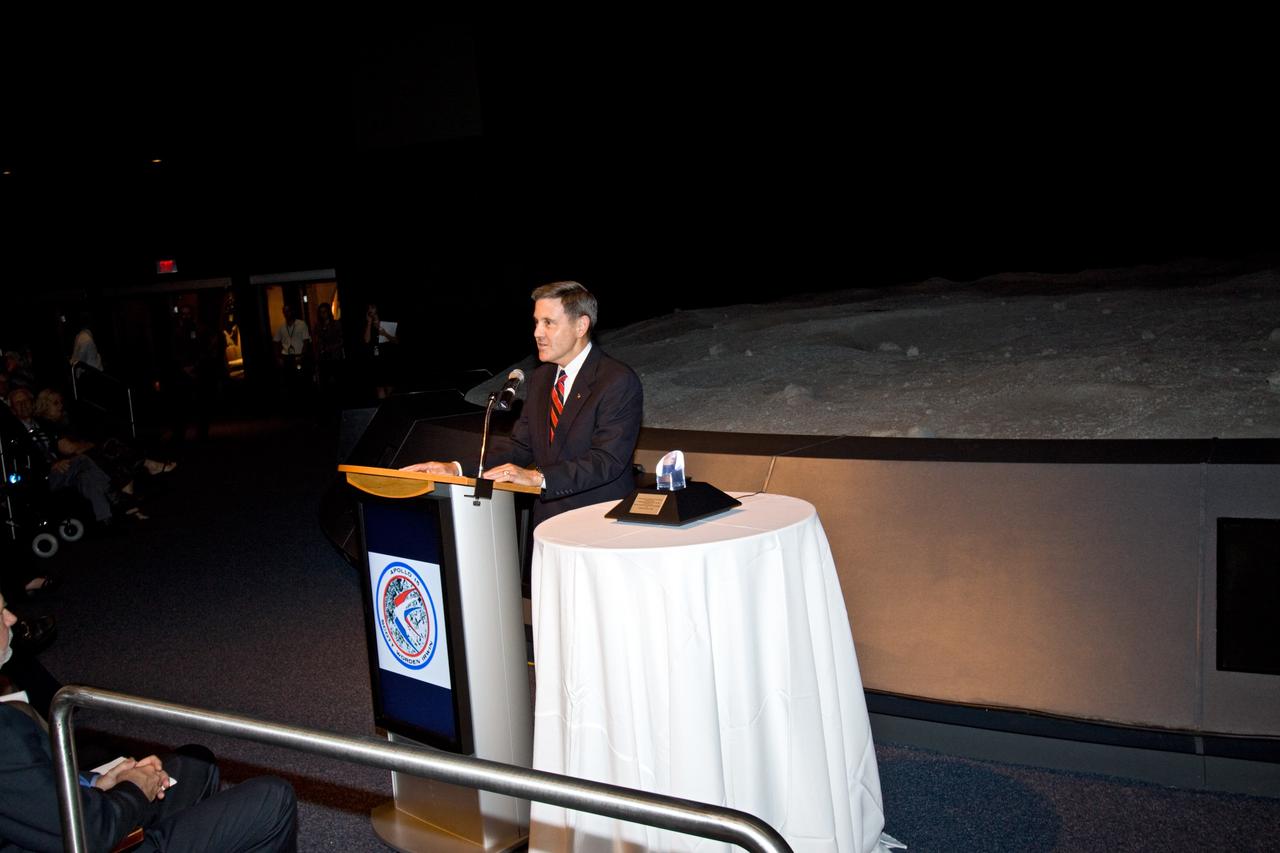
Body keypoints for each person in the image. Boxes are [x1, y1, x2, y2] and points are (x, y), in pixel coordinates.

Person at [0, 594, 299, 852]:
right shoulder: (5, 737)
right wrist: (132, 789)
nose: (12, 618)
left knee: (197, 764)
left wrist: (94, 784)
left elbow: (27, 796)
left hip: (67, 816)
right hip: (88, 837)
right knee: (273, 800)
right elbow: (88, 835)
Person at [402, 281, 643, 528]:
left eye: (548, 323)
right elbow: (520, 447)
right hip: (547, 522)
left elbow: (607, 460)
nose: (537, 332)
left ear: (581, 325)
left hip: (598, 521)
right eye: (537, 322)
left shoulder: (616, 380)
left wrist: (538, 477)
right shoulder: (542, 378)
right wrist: (456, 468)